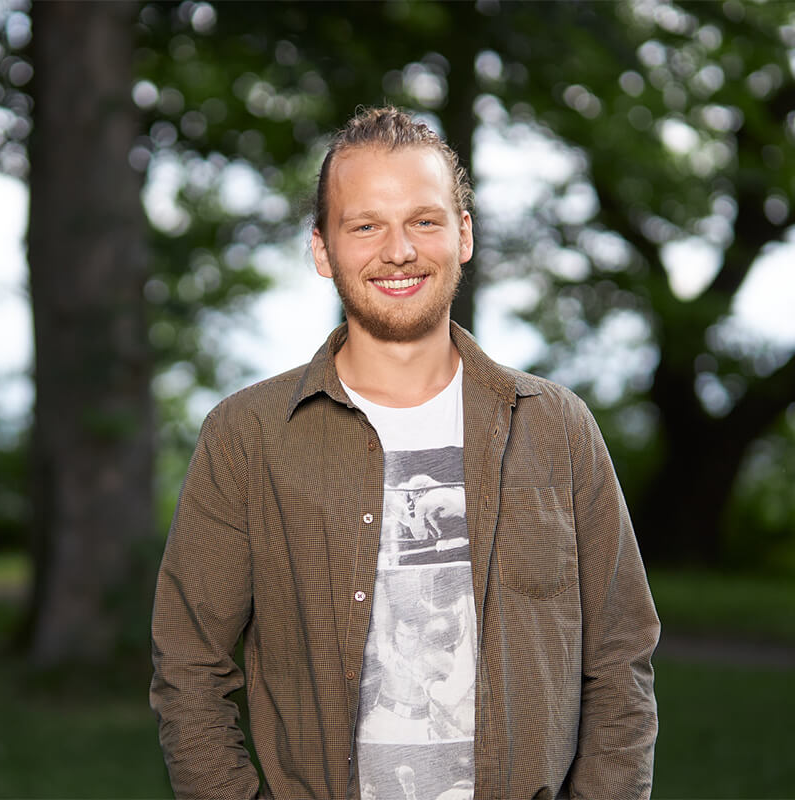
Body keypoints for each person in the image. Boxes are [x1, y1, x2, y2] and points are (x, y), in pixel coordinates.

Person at [150, 106, 660, 799]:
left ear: (464, 235)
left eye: (424, 221)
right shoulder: (247, 436)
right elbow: (188, 669)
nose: (399, 251)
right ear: (323, 249)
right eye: (365, 226)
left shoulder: (556, 428)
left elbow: (620, 658)